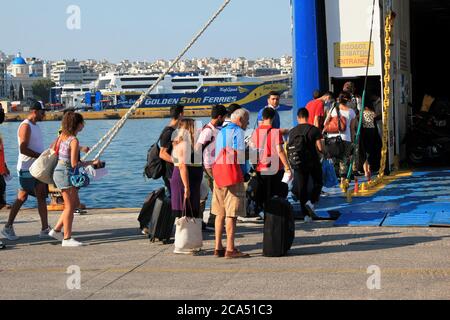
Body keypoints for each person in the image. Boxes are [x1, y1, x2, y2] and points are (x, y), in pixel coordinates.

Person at [48, 112, 100, 247]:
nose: (83, 125)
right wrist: (91, 163)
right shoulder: (74, 140)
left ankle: (56, 230)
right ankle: (67, 238)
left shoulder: (62, 137)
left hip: (58, 172)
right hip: (65, 173)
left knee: (74, 202)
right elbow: (74, 164)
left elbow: (53, 149)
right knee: (70, 206)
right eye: (82, 123)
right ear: (77, 124)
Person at [2, 100, 51, 241]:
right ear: (35, 111)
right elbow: (23, 149)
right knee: (22, 197)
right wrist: (40, 156)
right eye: (43, 112)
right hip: (26, 168)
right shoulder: (26, 126)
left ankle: (44, 229)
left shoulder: (36, 126)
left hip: (38, 168)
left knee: (41, 195)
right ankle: (8, 227)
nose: (45, 115)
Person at [212, 108, 250, 259]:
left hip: (218, 175)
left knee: (219, 212)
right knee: (232, 213)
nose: (247, 124)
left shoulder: (222, 131)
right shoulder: (238, 132)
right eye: (246, 121)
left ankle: (217, 247)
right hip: (232, 177)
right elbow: (240, 156)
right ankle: (230, 248)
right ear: (240, 120)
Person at [250, 107, 291, 211]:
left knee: (264, 194)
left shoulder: (255, 132)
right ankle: (277, 216)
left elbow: (252, 152)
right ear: (273, 118)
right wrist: (287, 167)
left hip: (261, 169)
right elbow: (280, 151)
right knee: (278, 194)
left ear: (263, 117)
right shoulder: (276, 132)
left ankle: (265, 215)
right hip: (276, 168)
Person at [196, 105, 228, 227]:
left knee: (214, 194)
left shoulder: (216, 129)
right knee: (213, 195)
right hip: (208, 167)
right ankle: (207, 222)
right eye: (224, 116)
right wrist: (204, 165)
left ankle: (208, 221)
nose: (225, 118)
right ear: (219, 117)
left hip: (213, 166)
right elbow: (199, 148)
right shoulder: (208, 131)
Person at [289, 108, 324, 219]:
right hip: (313, 161)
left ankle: (305, 215)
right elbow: (320, 147)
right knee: (318, 182)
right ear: (308, 116)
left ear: (298, 117)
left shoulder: (292, 131)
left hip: (298, 162)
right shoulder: (314, 130)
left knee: (302, 188)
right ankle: (311, 201)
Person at [171, 119, 203, 221]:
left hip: (187, 179)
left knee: (187, 211)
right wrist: (186, 187)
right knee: (184, 210)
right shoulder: (184, 144)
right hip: (184, 180)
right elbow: (182, 165)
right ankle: (185, 235)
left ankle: (188, 234)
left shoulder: (181, 143)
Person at [324, 92, 357, 185]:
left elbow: (325, 123)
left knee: (334, 159)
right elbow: (352, 128)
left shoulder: (333, 109)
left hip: (332, 138)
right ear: (349, 100)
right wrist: (353, 141)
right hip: (346, 138)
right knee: (344, 159)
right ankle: (343, 179)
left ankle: (334, 178)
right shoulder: (351, 112)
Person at [159, 104, 184, 195]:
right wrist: (177, 162)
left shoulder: (174, 130)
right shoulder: (168, 132)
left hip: (173, 172)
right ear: (181, 114)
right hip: (170, 173)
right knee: (173, 199)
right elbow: (162, 153)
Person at [361, 104, 382, 181]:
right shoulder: (372, 112)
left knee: (365, 151)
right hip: (372, 131)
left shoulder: (362, 112)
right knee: (370, 150)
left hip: (365, 131)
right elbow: (376, 118)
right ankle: (369, 169)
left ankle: (366, 171)